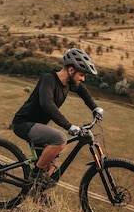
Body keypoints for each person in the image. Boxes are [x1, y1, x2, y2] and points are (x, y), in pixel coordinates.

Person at [11, 48, 104, 191]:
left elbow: (82, 90)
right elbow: (47, 104)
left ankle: (38, 192)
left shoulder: (68, 83)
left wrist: (95, 108)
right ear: (71, 70)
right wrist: (69, 126)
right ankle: (35, 175)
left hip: (37, 126)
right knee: (60, 139)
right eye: (82, 74)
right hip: (24, 124)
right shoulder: (48, 79)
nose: (83, 78)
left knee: (53, 159)